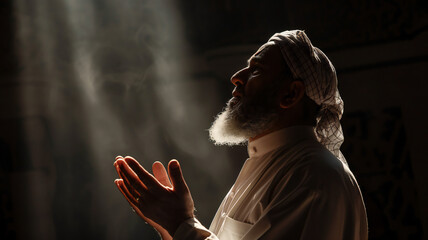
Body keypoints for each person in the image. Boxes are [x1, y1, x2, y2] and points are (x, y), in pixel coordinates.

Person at [113, 30, 368, 240]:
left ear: (290, 94)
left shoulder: (313, 176)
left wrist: (180, 223)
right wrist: (171, 228)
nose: (236, 78)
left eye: (256, 70)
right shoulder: (272, 165)